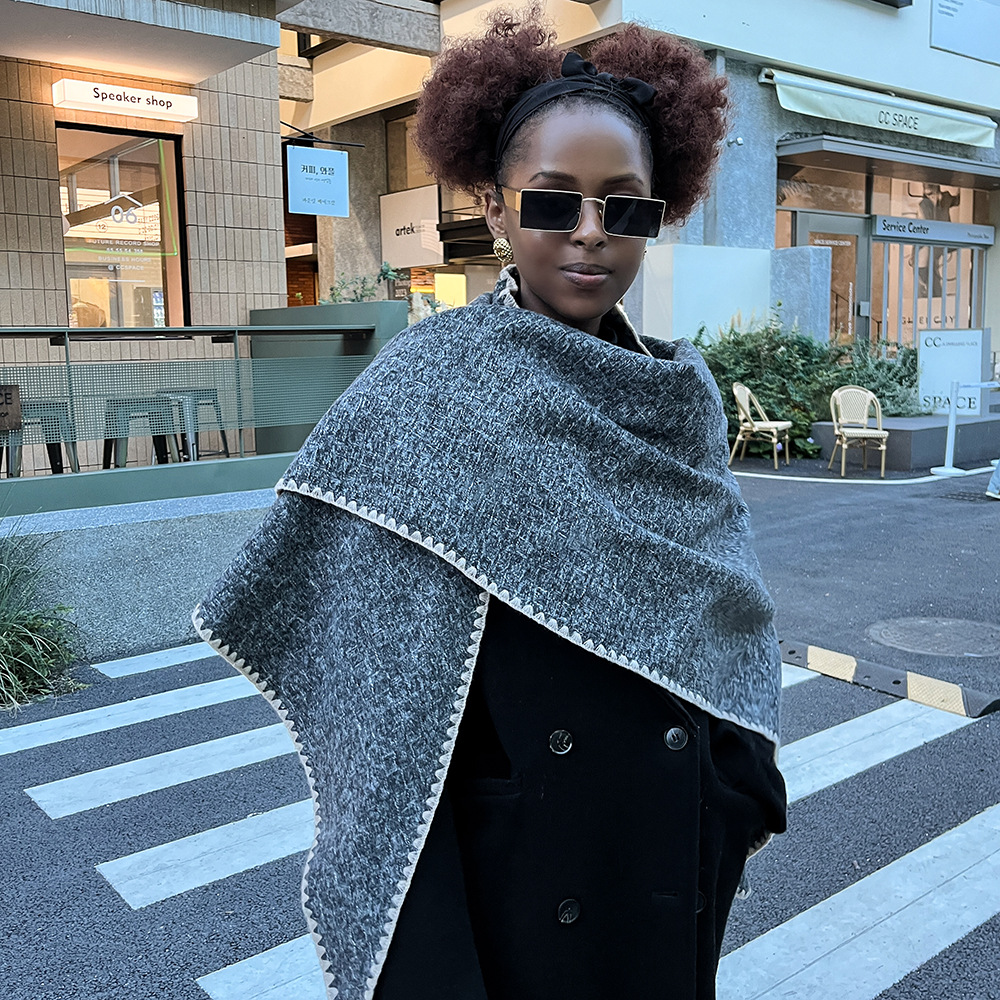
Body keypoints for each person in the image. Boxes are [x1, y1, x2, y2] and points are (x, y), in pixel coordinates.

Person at [195, 9, 786, 1000]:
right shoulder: (428, 382)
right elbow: (373, 660)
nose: (591, 232)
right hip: (514, 857)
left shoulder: (680, 395)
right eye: (553, 202)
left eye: (626, 208)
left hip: (662, 839)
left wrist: (737, 784)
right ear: (496, 208)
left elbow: (728, 607)